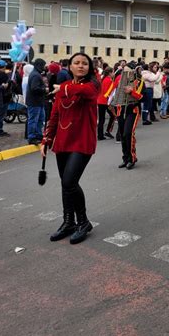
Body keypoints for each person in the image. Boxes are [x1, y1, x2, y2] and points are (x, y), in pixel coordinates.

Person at [41, 53, 99, 244]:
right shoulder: (64, 89)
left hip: (82, 141)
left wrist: (61, 88)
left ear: (89, 68)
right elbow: (55, 116)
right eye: (77, 63)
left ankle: (83, 222)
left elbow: (86, 93)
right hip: (64, 141)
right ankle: (68, 222)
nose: (81, 66)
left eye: (84, 64)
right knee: (65, 184)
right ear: (70, 67)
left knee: (70, 181)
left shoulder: (92, 86)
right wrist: (47, 139)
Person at [108, 66, 144, 170]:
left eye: (129, 71)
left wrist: (132, 92)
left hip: (133, 110)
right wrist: (111, 102)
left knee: (128, 133)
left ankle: (132, 158)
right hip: (121, 110)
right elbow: (114, 92)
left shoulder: (139, 81)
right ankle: (125, 158)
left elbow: (142, 97)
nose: (126, 74)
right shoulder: (119, 79)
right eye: (125, 71)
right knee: (122, 135)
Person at [26, 58, 48, 145]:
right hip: (34, 102)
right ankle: (31, 137)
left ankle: (38, 135)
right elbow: (34, 88)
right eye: (43, 66)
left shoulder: (36, 73)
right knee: (33, 120)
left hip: (38, 102)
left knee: (40, 119)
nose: (44, 67)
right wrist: (44, 89)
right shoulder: (35, 75)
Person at [97, 67, 115, 140]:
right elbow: (110, 93)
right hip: (105, 101)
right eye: (113, 72)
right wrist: (110, 103)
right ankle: (107, 131)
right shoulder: (110, 81)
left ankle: (100, 134)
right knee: (113, 115)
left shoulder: (102, 79)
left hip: (99, 100)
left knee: (101, 118)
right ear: (110, 73)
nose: (114, 74)